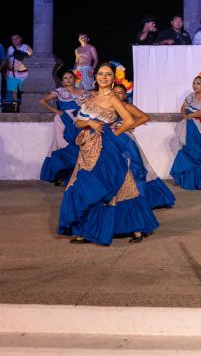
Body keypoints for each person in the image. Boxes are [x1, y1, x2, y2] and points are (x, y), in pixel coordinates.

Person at [58, 63, 159, 245]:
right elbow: (78, 122)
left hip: (107, 147)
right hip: (87, 148)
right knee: (87, 184)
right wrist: (90, 123)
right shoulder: (90, 97)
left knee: (115, 183)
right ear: (95, 76)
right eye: (101, 74)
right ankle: (88, 229)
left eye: (108, 74)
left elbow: (128, 120)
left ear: (114, 78)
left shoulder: (113, 98)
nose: (104, 77)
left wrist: (113, 134)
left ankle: (137, 228)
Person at [112, 83, 175, 209]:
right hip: (111, 140)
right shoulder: (109, 106)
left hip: (125, 140)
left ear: (125, 95)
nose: (117, 94)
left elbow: (145, 117)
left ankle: (139, 199)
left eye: (120, 92)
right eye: (115, 92)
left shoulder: (126, 106)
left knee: (133, 168)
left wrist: (129, 126)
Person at [39, 71, 87, 186]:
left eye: (70, 77)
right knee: (62, 144)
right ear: (62, 81)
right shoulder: (60, 91)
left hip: (77, 120)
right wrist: (57, 111)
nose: (68, 79)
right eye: (65, 78)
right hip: (63, 119)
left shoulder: (82, 92)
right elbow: (42, 101)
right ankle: (61, 173)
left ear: (75, 79)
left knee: (77, 144)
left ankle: (74, 175)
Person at [6, 33, 33, 102]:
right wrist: (5, 73)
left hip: (24, 73)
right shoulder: (10, 48)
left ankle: (27, 105)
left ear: (21, 39)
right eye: (13, 39)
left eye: (17, 38)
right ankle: (15, 107)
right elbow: (7, 60)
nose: (15, 40)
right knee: (14, 92)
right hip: (11, 73)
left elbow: (33, 59)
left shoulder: (26, 47)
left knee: (25, 90)